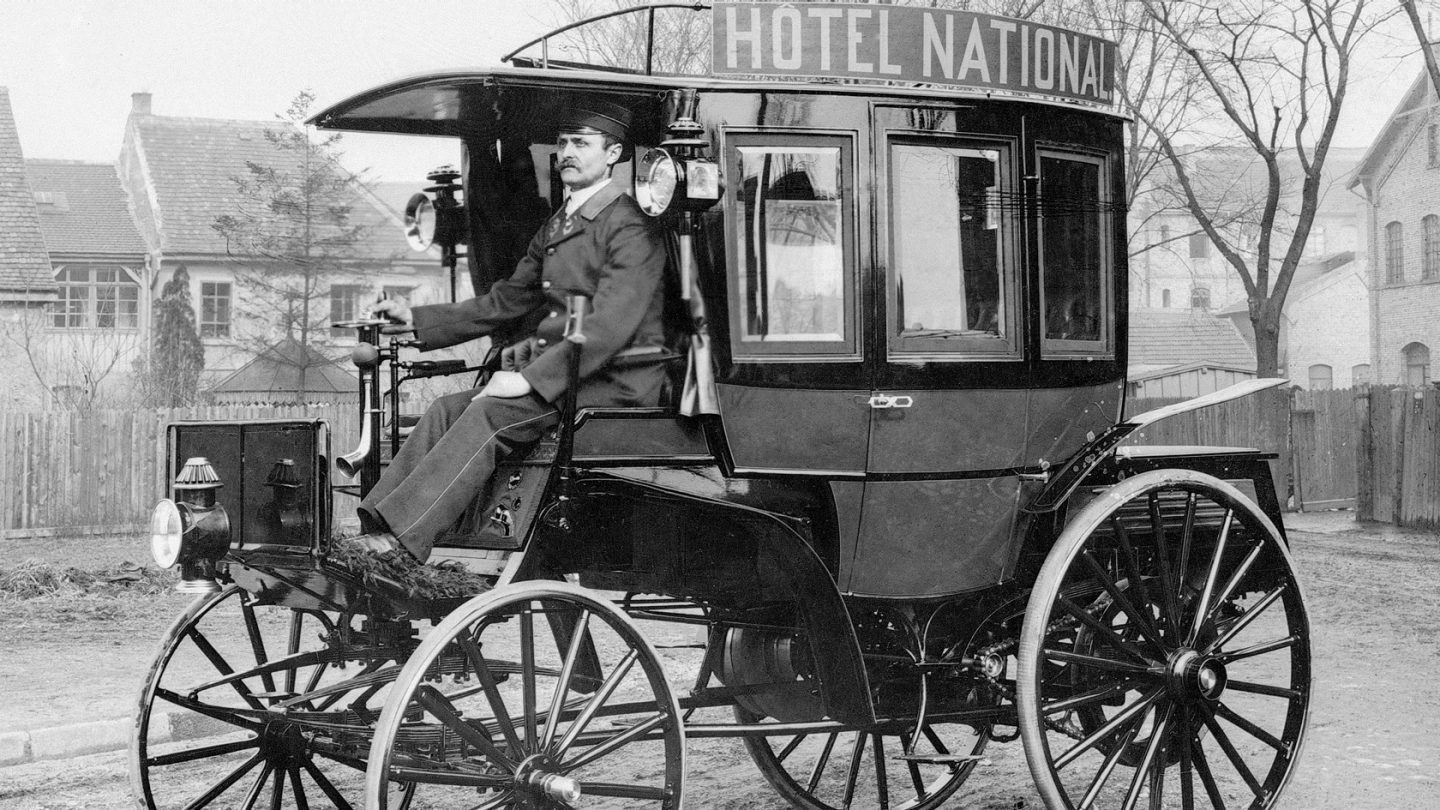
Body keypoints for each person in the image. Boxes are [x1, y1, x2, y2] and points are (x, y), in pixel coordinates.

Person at [349, 102, 668, 563]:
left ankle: (401, 540)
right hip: (566, 375)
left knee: (488, 413)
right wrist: (415, 318)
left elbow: (608, 326)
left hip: (613, 381)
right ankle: (374, 526)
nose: (568, 152)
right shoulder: (560, 223)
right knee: (444, 409)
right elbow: (506, 300)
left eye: (582, 144)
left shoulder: (630, 225)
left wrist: (528, 380)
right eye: (563, 143)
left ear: (613, 154)